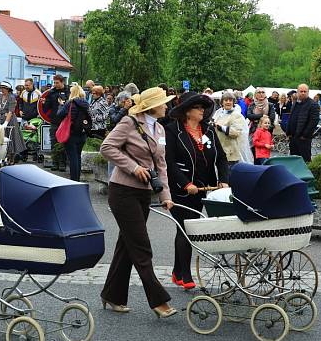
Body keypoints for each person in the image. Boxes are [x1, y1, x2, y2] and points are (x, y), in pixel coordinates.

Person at [100, 87, 177, 318]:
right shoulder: (129, 122)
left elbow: (161, 165)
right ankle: (158, 300)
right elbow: (107, 147)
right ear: (152, 106)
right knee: (141, 247)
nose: (166, 105)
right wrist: (133, 167)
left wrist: (165, 196)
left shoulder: (160, 128)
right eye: (163, 102)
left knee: (127, 245)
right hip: (123, 191)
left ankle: (111, 295)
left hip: (143, 193)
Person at [166, 91, 229, 289]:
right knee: (185, 228)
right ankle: (185, 274)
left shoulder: (208, 131)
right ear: (187, 111)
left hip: (203, 188)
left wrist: (224, 180)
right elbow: (169, 162)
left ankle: (177, 271)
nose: (202, 111)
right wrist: (186, 183)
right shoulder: (172, 130)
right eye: (198, 108)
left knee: (187, 228)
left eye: (203, 108)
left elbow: (221, 158)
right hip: (180, 189)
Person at [56, 83, 92, 181]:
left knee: (72, 157)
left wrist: (60, 105)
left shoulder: (70, 103)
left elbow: (59, 115)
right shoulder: (86, 103)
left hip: (71, 133)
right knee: (78, 156)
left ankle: (74, 180)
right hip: (82, 133)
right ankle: (77, 179)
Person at [213, 92, 252, 166]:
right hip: (218, 151)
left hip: (230, 153)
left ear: (233, 102)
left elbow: (235, 133)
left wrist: (220, 127)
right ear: (222, 102)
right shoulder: (218, 113)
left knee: (229, 176)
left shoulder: (237, 115)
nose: (228, 102)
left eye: (230, 100)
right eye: (226, 100)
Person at [0, 80, 26, 163]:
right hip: (0, 119)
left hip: (9, 119)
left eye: (4, 88)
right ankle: (1, 155)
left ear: (8, 89)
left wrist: (6, 123)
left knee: (10, 138)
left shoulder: (12, 97)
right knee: (0, 138)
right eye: (1, 88)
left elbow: (11, 112)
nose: (2, 90)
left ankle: (11, 157)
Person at [286, 84, 319, 162]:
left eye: (305, 91)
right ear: (297, 92)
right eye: (301, 91)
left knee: (305, 160)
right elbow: (291, 118)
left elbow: (313, 122)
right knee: (293, 159)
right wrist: (288, 132)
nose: (303, 93)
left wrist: (304, 135)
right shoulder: (295, 103)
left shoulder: (313, 104)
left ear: (308, 92)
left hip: (303, 138)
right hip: (293, 137)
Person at [43, 74, 70, 170]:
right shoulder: (51, 93)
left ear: (62, 82)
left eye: (57, 83)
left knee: (63, 142)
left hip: (65, 121)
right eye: (54, 82)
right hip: (54, 121)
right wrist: (44, 104)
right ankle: (55, 163)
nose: (55, 84)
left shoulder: (69, 91)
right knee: (54, 141)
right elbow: (46, 107)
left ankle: (62, 163)